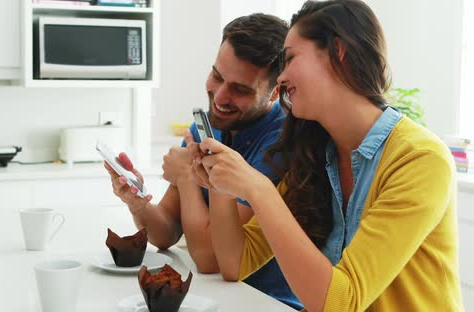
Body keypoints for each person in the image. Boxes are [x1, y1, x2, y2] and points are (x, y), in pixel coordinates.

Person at [190, 1, 463, 311]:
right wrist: (219, 184)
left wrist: (258, 189)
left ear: (338, 53)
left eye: (290, 58)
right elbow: (236, 263)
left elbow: (342, 302)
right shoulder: (316, 153)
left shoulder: (420, 160)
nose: (280, 78)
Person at [104, 13, 305, 309]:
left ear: (275, 92)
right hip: (218, 296)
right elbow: (166, 232)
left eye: (241, 89)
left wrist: (186, 175)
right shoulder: (209, 125)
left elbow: (212, 257)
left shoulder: (282, 144)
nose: (220, 96)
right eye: (217, 76)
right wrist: (138, 203)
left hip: (268, 303)